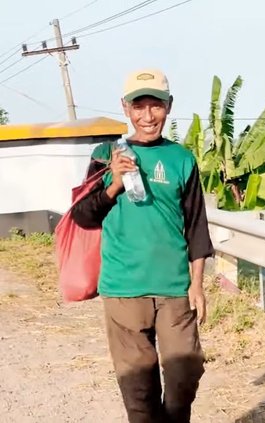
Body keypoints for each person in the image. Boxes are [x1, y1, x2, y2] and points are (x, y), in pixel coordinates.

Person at [71, 68, 214, 423]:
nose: (147, 116)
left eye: (156, 106)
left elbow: (197, 225)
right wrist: (115, 182)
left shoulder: (182, 159)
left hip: (174, 287)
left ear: (169, 106)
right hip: (123, 288)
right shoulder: (106, 154)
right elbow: (84, 216)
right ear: (125, 108)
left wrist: (197, 284)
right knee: (138, 390)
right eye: (139, 106)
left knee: (186, 370)